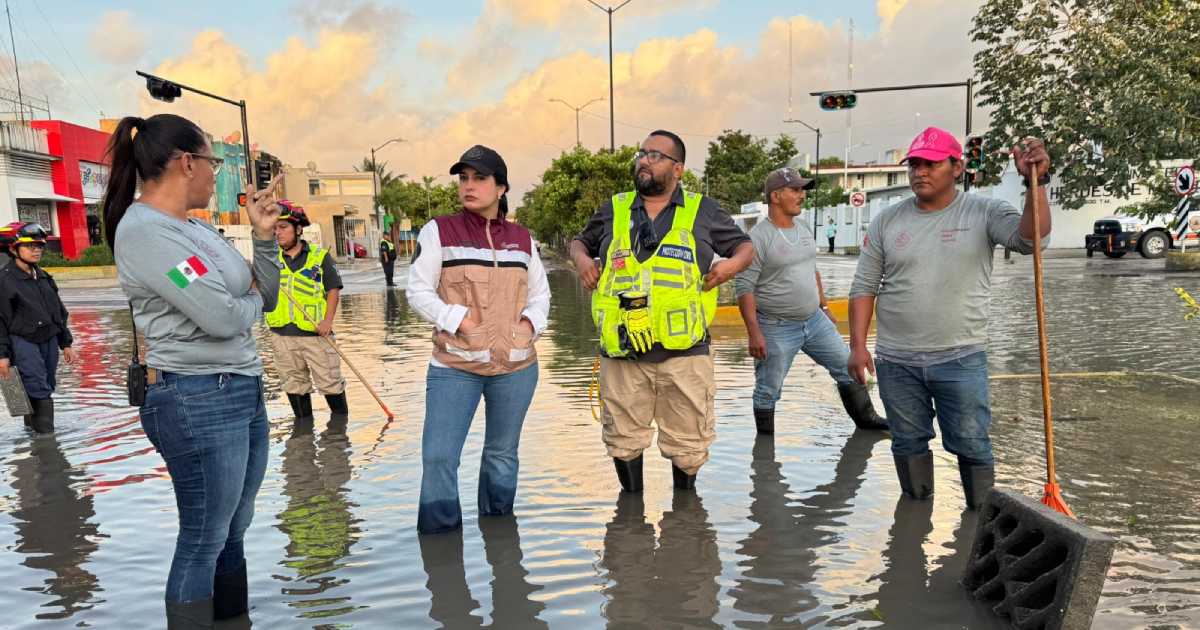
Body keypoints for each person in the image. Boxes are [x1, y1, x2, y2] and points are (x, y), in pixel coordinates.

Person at [102, 113, 283, 628]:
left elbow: (261, 293)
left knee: (233, 530)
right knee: (204, 537)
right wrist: (246, 305)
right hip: (193, 395)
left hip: (239, 388)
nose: (214, 173)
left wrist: (264, 239)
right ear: (187, 163)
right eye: (212, 162)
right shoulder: (145, 233)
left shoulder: (196, 230)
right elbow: (223, 318)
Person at [847, 127, 1051, 510]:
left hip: (960, 357)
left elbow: (1031, 239)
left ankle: (977, 522)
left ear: (957, 167)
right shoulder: (887, 222)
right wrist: (857, 346)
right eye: (915, 165)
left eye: (931, 164)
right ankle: (915, 518)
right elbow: (863, 287)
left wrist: (1034, 183)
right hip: (896, 360)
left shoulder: (984, 211)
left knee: (972, 442)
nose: (920, 172)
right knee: (907, 441)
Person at [570, 130, 754, 493]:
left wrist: (730, 267)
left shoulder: (704, 211)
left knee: (689, 446)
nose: (644, 160)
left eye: (655, 155)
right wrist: (581, 261)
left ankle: (685, 525)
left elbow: (745, 247)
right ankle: (630, 519)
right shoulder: (614, 208)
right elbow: (580, 241)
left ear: (678, 169)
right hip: (622, 357)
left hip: (684, 357)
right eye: (641, 153)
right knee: (622, 442)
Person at [407, 145, 550, 535]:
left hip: (517, 368)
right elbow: (417, 291)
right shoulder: (439, 230)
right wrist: (460, 321)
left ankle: (500, 538)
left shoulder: (522, 239)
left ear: (501, 187)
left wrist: (528, 326)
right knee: (438, 457)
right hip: (455, 367)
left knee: (502, 456)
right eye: (463, 178)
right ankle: (440, 551)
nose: (468, 186)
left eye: (479, 178)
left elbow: (541, 295)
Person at [735, 168, 887, 436]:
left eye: (802, 189)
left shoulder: (803, 228)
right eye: (795, 190)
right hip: (775, 326)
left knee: (846, 364)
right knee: (768, 389)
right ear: (776, 196)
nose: (802, 195)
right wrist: (754, 333)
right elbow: (744, 288)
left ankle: (867, 420)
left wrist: (824, 306)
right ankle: (764, 452)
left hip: (814, 321)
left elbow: (812, 270)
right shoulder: (758, 238)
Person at [266, 201, 348, 426]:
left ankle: (338, 437)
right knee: (294, 385)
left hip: (315, 335)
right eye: (274, 228)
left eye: (283, 228)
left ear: (298, 229)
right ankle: (303, 436)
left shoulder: (319, 258)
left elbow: (333, 289)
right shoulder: (270, 260)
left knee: (330, 383)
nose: (277, 233)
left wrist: (328, 321)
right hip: (282, 336)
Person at [0, 223, 77, 433]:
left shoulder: (43, 277)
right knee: (36, 387)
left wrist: (66, 343)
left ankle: (32, 436)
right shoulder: (4, 280)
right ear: (13, 249)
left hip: (49, 339)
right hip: (22, 341)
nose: (37, 250)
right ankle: (47, 446)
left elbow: (58, 313)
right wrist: (2, 355)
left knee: (46, 385)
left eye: (40, 246)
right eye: (31, 245)